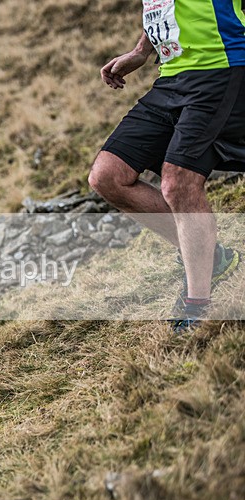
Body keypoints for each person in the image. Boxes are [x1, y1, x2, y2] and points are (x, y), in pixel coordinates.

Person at [88, 0, 243, 331]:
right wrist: (141, 50)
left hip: (223, 68)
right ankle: (210, 257)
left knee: (179, 182)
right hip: (172, 76)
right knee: (108, 176)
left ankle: (199, 305)